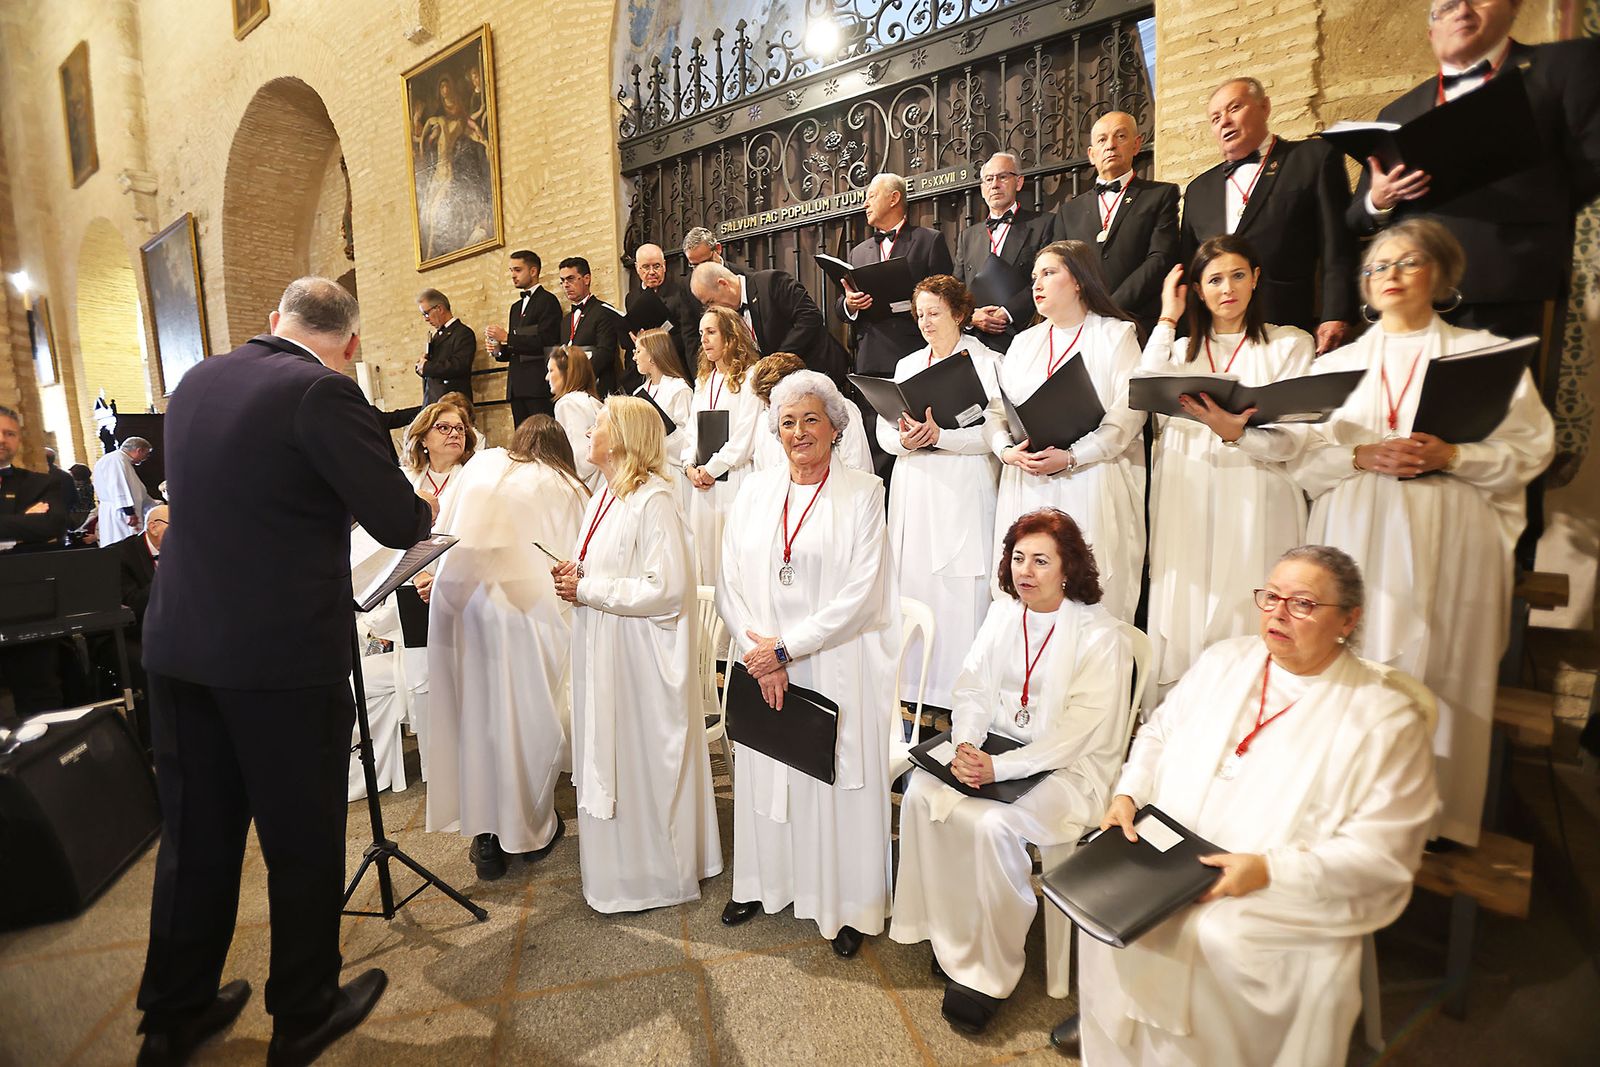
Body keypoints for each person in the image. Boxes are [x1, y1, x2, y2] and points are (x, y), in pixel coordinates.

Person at [137, 278, 434, 1065]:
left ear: (275, 322)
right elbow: (399, 519)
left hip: (177, 646)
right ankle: (302, 1010)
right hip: (274, 662)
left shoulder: (200, 377)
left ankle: (175, 1013)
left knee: (195, 837)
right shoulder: (320, 392)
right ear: (351, 344)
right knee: (300, 838)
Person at [1065, 546, 1438, 1067]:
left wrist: (1268, 870)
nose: (1278, 614)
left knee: (1217, 937)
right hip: (1170, 856)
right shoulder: (1227, 660)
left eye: (1303, 603)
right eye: (1270, 597)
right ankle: (1115, 1031)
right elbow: (1159, 733)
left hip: (1274, 882)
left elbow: (1381, 854)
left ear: (1348, 620)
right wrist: (1129, 793)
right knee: (1101, 900)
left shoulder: (1381, 718)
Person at [1289, 218, 1553, 846]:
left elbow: (1532, 446)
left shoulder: (1483, 353)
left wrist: (1455, 456)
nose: (1392, 275)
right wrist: (1359, 456)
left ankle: (1428, 819)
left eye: (1408, 262)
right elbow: (1299, 452)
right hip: (1355, 527)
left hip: (1446, 529)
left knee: (1440, 661)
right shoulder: (1340, 362)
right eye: (1379, 266)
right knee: (1349, 661)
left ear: (1440, 275)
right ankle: (1337, 810)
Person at [892, 508, 1132, 1035]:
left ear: (1068, 568)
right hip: (995, 754)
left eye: (1041, 560)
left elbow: (1078, 733)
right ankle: (952, 936)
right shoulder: (1005, 613)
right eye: (1018, 558)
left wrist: (999, 765)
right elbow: (972, 686)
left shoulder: (1100, 636)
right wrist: (968, 744)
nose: (1025, 570)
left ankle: (986, 973)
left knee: (990, 826)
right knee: (921, 793)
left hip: (1068, 772)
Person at [715, 370, 900, 959]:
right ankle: (765, 881)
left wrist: (787, 649)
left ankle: (847, 903)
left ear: (836, 426)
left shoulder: (864, 495)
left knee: (833, 774)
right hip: (764, 661)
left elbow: (862, 595)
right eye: (787, 422)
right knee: (769, 769)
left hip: (834, 663)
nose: (798, 432)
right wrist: (761, 654)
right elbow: (728, 580)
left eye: (810, 420)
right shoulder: (754, 493)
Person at [551, 397, 723, 912]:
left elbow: (666, 590)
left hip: (638, 660)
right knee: (610, 753)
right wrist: (574, 572)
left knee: (638, 760)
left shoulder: (654, 499)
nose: (589, 432)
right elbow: (601, 567)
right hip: (606, 647)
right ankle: (615, 871)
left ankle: (653, 874)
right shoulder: (604, 494)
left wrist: (588, 588)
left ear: (624, 435)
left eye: (599, 424)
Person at [1347, 0, 1600, 346]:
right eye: (1447, 6)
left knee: (1511, 399)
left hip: (1510, 285)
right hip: (1414, 297)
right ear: (1431, 32)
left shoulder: (1562, 66)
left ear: (1513, 8)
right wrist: (1378, 200)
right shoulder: (1396, 110)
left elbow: (1591, 164)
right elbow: (1356, 217)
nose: (1462, 11)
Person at [1142, 236, 1315, 705]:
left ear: (1256, 278)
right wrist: (1165, 317)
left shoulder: (1289, 345)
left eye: (1238, 275)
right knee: (1185, 606)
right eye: (1214, 279)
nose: (1227, 288)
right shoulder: (1179, 351)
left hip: (1255, 491)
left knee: (1246, 599)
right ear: (1197, 289)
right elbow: (1140, 392)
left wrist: (1236, 433)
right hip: (1188, 489)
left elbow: (1294, 439)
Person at [423, 415, 587, 881]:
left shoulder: (482, 465)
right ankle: (528, 832)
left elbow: (444, 535)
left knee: (478, 720)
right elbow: (580, 555)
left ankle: (486, 838)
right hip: (525, 614)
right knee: (527, 721)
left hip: (465, 609)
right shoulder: (564, 483)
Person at [988, 241, 1145, 621]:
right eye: (1033, 277)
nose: (1037, 285)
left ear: (1078, 280)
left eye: (1048, 273)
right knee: (1029, 591)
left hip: (1091, 479)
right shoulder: (1023, 343)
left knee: (1087, 593)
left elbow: (1129, 414)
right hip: (1028, 481)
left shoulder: (1116, 335)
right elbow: (995, 411)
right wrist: (1006, 450)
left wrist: (1074, 456)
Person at [875, 276, 1003, 714]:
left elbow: (995, 433)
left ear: (959, 314)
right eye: (920, 314)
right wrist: (904, 440)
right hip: (916, 486)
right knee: (914, 580)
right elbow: (884, 426)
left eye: (934, 312)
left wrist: (943, 436)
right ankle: (914, 688)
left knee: (959, 586)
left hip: (962, 484)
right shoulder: (908, 364)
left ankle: (958, 694)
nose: (926, 322)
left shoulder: (987, 363)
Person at [1178, 77, 1357, 353]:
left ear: (1265, 107)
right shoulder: (1198, 190)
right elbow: (1191, 271)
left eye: (1234, 108)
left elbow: (1338, 244)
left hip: (1289, 325)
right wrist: (1189, 333)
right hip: (1217, 339)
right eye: (1215, 118)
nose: (1224, 121)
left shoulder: (1312, 158)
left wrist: (1336, 312)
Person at [840, 172, 956, 479]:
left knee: (915, 438)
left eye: (872, 196)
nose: (865, 203)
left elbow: (947, 296)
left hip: (913, 352)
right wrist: (849, 305)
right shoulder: (858, 251)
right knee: (875, 444)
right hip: (871, 356)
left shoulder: (929, 241)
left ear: (894, 198)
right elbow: (843, 304)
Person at [1056, 112, 1180, 338]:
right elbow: (1061, 269)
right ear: (1092, 155)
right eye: (1102, 140)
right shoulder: (1068, 212)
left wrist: (1111, 308)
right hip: (1083, 328)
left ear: (1136, 145)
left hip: (1140, 322)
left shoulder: (1160, 195)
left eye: (1120, 136)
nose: (1111, 145)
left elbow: (1161, 258)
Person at [0, 404, 71, 724]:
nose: (3, 439)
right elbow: (33, 530)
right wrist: (20, 524)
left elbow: (51, 526)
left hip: (29, 606)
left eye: (10, 434)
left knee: (42, 701)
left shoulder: (40, 484)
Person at [683, 307, 763, 584]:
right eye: (701, 333)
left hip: (734, 479)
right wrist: (689, 466)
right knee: (705, 559)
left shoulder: (750, 377)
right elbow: (692, 428)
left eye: (711, 332)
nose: (704, 339)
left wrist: (712, 468)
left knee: (734, 557)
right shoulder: (704, 380)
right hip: (703, 484)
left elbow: (745, 435)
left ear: (730, 336)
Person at [953, 152, 1062, 352]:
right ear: (982, 188)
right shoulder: (967, 236)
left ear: (1019, 182)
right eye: (989, 179)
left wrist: (1008, 312)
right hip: (976, 343)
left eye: (1003, 177)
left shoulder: (1044, 224)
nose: (995, 184)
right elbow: (957, 289)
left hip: (1025, 334)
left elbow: (1049, 280)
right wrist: (971, 316)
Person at [690, 261, 845, 378]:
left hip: (818, 370)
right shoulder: (729, 314)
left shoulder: (771, 282)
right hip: (782, 384)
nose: (712, 309)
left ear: (723, 284)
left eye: (711, 301)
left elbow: (810, 317)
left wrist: (776, 360)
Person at [749, 351, 873, 473]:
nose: (774, 409)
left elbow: (859, 464)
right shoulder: (764, 419)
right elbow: (761, 469)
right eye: (768, 404)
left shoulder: (839, 408)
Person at [485, 250, 563, 424]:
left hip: (537, 385)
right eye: (511, 270)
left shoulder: (547, 301)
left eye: (518, 270)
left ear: (533, 271)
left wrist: (507, 337)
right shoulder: (515, 307)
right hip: (516, 385)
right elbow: (516, 346)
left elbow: (547, 341)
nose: (513, 275)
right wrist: (499, 349)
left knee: (542, 440)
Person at [632, 327, 696, 495]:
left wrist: (655, 439)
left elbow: (687, 439)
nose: (634, 357)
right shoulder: (638, 393)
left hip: (671, 470)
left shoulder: (678, 389)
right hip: (645, 470)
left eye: (638, 351)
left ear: (653, 355)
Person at [627, 241, 703, 365]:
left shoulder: (680, 293)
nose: (652, 272)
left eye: (657, 266)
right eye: (646, 267)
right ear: (637, 268)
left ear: (664, 266)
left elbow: (688, 335)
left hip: (675, 361)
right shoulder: (631, 297)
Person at [558, 257, 625, 396]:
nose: (565, 285)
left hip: (598, 388)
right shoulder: (565, 320)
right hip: (572, 391)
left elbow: (605, 352)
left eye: (570, 279)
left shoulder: (603, 311)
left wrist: (580, 377)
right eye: (562, 281)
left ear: (586, 278)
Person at [548, 345, 607, 490]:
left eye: (551, 371)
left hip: (589, 488)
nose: (547, 377)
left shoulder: (567, 404)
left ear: (567, 372)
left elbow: (581, 462)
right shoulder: (592, 401)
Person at [92, 436, 158, 546]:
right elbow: (118, 486)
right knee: (123, 544)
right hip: (120, 513)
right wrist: (129, 512)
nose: (145, 458)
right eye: (146, 454)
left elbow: (138, 492)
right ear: (139, 450)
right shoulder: (116, 460)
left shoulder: (122, 460)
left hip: (123, 511)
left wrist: (156, 508)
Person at [415, 288, 475, 405]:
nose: (426, 319)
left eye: (426, 313)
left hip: (452, 401)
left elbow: (459, 365)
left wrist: (427, 367)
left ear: (440, 308)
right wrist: (420, 365)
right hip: (433, 399)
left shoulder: (462, 333)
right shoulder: (437, 335)